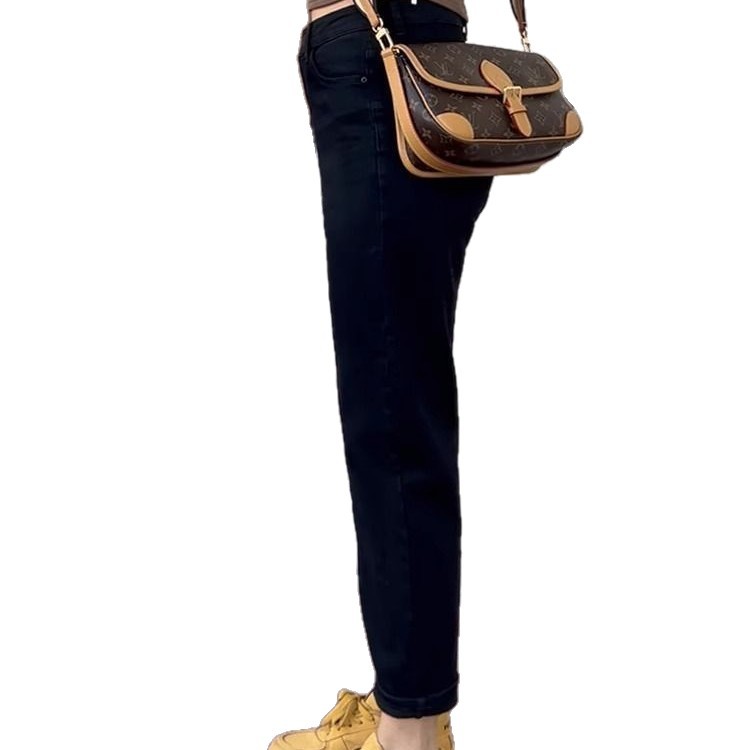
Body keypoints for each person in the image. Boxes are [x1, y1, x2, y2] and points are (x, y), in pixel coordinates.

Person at [269, 2, 493, 750]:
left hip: (381, 50)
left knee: (391, 410)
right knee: (397, 398)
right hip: (392, 49)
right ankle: (412, 702)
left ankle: (408, 731)